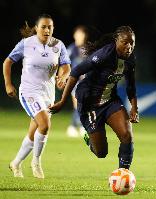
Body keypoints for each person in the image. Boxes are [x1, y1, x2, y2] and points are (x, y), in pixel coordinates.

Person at [49, 26, 139, 170]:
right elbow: (76, 72)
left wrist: (134, 107)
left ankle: (124, 174)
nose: (129, 47)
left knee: (127, 136)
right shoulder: (104, 55)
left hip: (110, 101)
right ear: (116, 41)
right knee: (101, 153)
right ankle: (88, 137)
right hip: (90, 104)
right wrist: (62, 101)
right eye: (125, 42)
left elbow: (131, 86)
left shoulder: (130, 59)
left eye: (132, 43)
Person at [3, 14, 71, 178]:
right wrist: (8, 83)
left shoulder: (58, 45)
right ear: (36, 28)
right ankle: (36, 162)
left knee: (35, 132)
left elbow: (66, 67)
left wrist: (62, 77)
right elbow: (8, 62)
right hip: (29, 92)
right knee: (45, 124)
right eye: (44, 27)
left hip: (48, 95)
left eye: (50, 27)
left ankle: (16, 163)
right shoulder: (26, 44)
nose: (47, 30)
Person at [66, 25, 89, 137]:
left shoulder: (87, 49)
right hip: (74, 82)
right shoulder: (71, 49)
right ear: (74, 35)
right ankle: (76, 127)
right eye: (78, 34)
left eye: (81, 34)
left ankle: (75, 127)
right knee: (78, 104)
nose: (79, 36)